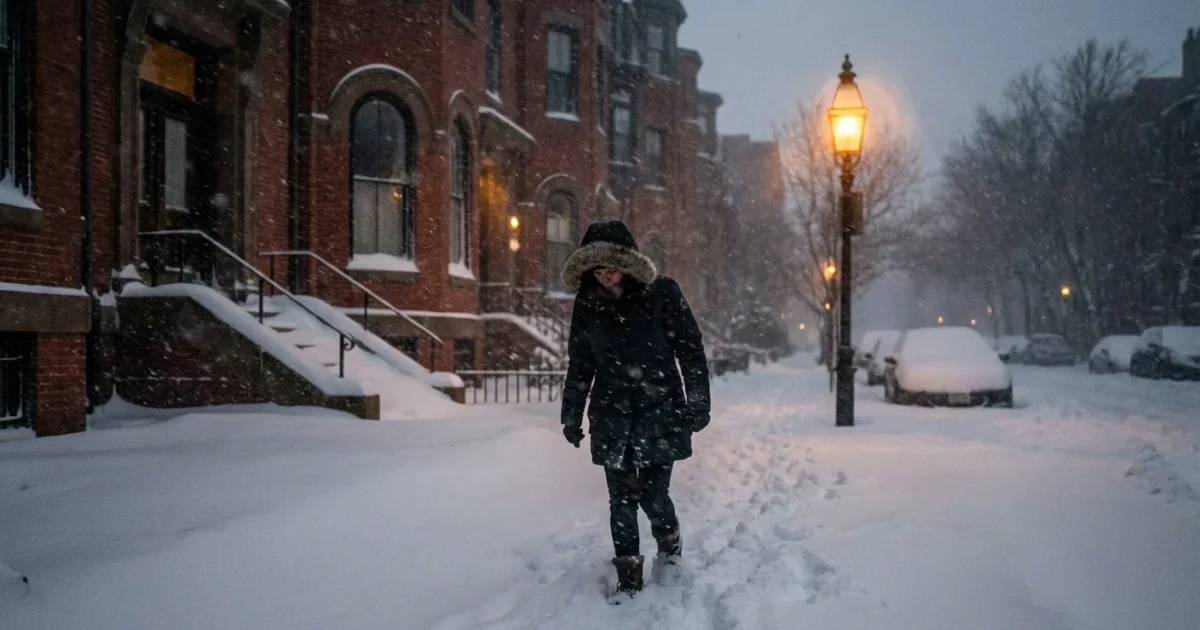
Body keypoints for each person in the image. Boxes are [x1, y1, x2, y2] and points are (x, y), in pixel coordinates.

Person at [559, 220, 711, 602]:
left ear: (628, 263)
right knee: (621, 498)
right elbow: (580, 362)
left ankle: (669, 536)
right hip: (612, 412)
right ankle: (629, 576)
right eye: (597, 270)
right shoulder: (588, 302)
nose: (605, 277)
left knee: (653, 493)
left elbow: (690, 350)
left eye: (610, 269)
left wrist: (699, 402)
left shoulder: (664, 294)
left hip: (660, 409)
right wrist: (571, 414)